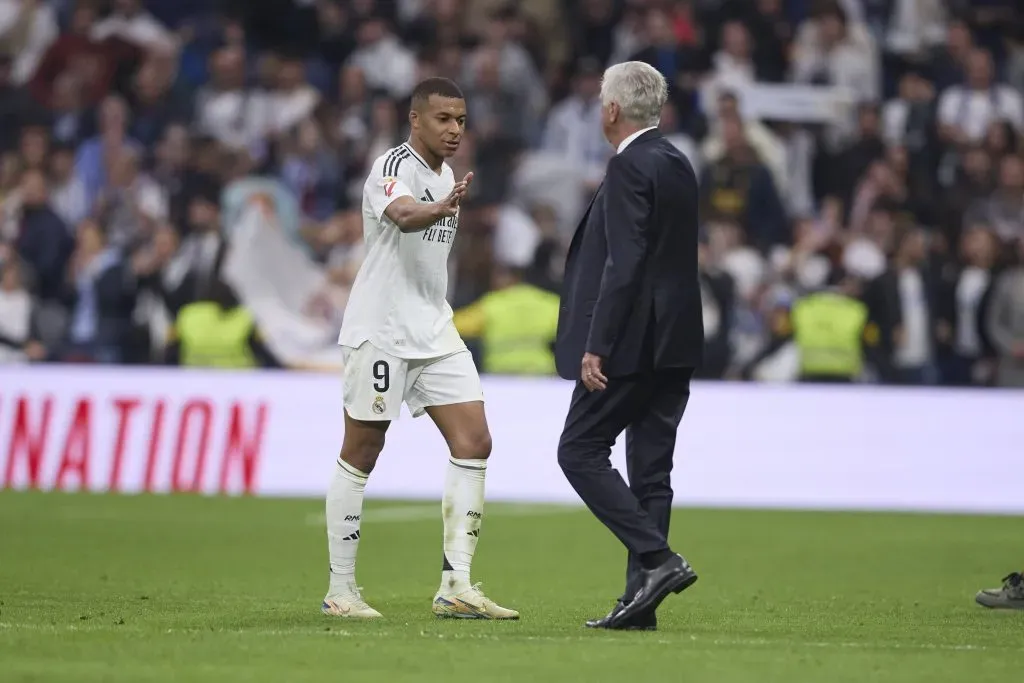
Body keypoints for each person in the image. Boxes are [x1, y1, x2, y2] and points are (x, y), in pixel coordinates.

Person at [322, 77, 518, 621]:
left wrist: (447, 198)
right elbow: (406, 215)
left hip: (433, 329)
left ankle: (456, 585)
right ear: (416, 120)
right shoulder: (391, 168)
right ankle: (341, 589)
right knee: (362, 450)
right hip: (381, 331)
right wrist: (443, 207)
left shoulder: (448, 175)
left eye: (461, 120)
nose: (455, 130)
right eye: (443, 119)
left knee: (475, 440)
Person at [554, 61, 704, 631]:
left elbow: (626, 261)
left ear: (612, 110)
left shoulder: (628, 167)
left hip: (633, 343)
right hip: (677, 340)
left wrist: (599, 344)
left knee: (579, 449)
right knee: (651, 472)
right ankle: (641, 603)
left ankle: (659, 561)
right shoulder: (677, 162)